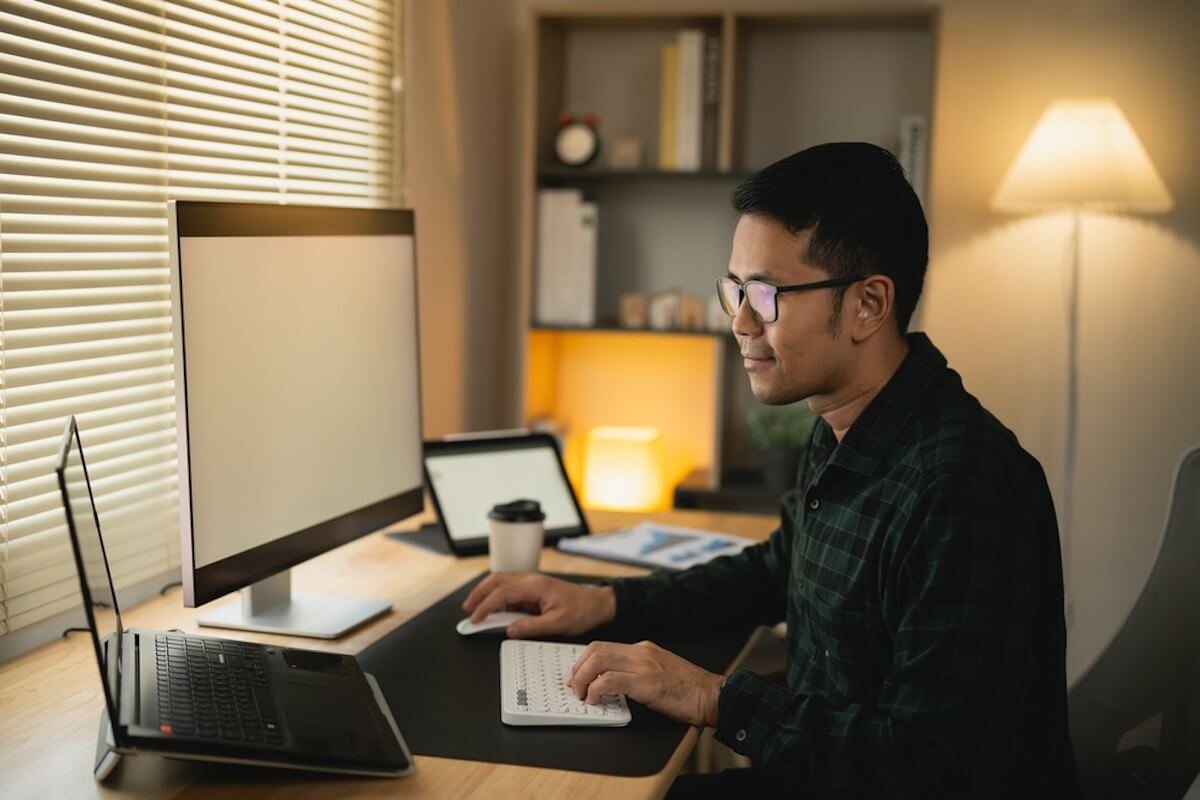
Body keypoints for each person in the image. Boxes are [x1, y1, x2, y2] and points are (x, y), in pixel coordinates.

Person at [464, 142, 1078, 798]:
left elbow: (929, 765)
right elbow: (781, 567)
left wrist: (711, 697)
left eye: (766, 294)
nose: (741, 322)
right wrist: (605, 602)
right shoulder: (846, 421)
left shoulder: (963, 490)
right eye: (735, 290)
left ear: (869, 305)